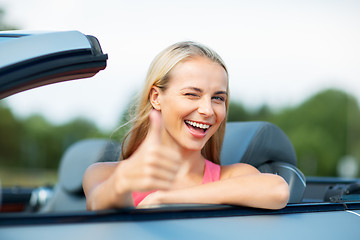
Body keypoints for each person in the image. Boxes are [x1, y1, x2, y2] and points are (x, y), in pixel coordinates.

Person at [82, 41, 290, 210]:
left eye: (218, 98)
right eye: (192, 94)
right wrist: (122, 182)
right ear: (156, 97)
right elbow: (97, 203)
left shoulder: (233, 176)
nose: (207, 110)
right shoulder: (104, 174)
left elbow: (278, 190)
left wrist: (165, 199)